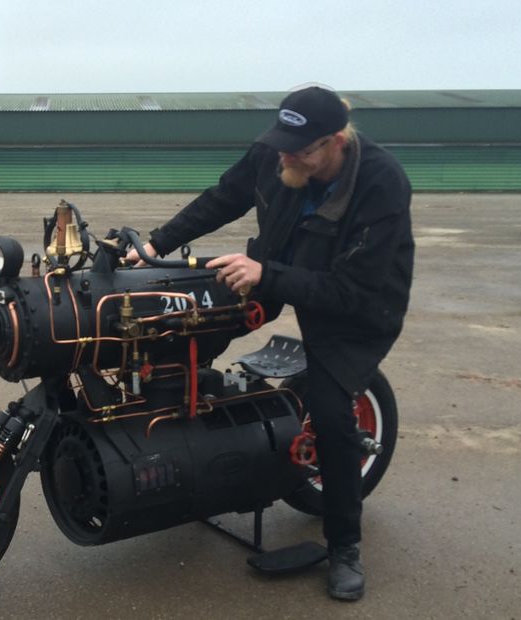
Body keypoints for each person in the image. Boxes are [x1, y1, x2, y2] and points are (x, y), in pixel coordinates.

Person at [126, 85, 414, 601]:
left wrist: (265, 274)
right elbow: (224, 197)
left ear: (335, 143)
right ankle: (190, 438)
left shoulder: (381, 182)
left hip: (358, 305)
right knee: (181, 324)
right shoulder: (275, 153)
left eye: (298, 150)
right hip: (277, 267)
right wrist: (153, 246)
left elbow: (350, 291)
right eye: (281, 143)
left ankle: (345, 544)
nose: (284, 156)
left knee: (329, 413)